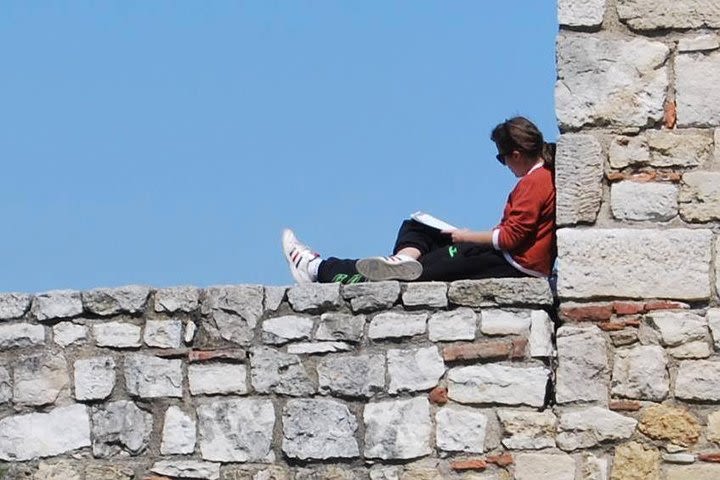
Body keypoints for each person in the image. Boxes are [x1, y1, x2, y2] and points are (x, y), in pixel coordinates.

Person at [282, 116, 556, 284]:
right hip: (505, 257)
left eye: (502, 158)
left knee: (416, 273)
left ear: (517, 154)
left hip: (509, 264)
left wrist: (466, 236)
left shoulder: (535, 182)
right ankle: (401, 260)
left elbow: (510, 238)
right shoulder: (542, 177)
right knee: (419, 227)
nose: (505, 165)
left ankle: (317, 269)